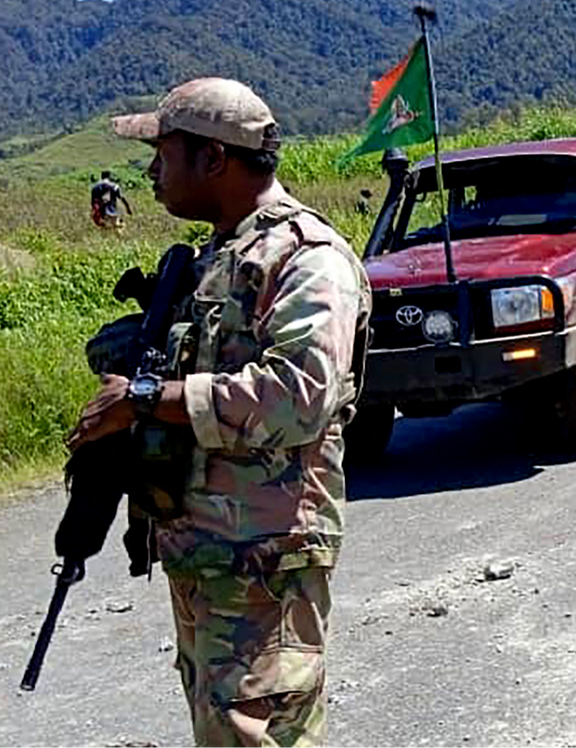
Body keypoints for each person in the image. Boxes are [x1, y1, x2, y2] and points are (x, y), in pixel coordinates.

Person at [66, 78, 371, 746]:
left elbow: (300, 394)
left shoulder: (306, 258)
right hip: (207, 551)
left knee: (256, 733)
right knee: (222, 728)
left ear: (213, 160)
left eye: (164, 152)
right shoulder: (220, 256)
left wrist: (147, 399)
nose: (151, 171)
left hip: (266, 556)